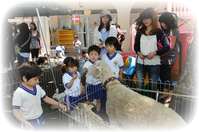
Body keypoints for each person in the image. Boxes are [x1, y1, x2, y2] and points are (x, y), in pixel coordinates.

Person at [12, 62, 66, 132]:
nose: (37, 81)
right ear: (25, 78)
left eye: (38, 78)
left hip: (39, 119)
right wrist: (25, 122)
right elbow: (16, 111)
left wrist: (60, 105)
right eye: (35, 79)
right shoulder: (19, 93)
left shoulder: (37, 87)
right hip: (27, 122)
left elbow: (46, 98)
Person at [134, 7, 170, 100]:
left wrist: (155, 53)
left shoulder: (159, 32)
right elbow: (136, 45)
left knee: (153, 87)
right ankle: (138, 106)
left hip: (154, 64)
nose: (145, 21)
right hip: (140, 63)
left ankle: (153, 107)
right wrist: (138, 53)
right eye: (143, 19)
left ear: (153, 18)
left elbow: (167, 47)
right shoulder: (139, 32)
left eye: (147, 18)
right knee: (139, 87)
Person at [158, 12, 180, 103]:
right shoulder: (166, 31)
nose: (162, 25)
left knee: (167, 76)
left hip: (169, 58)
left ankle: (170, 95)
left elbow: (171, 46)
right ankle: (165, 93)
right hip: (163, 57)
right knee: (163, 75)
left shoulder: (173, 31)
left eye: (163, 22)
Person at [61, 57, 85, 131]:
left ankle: (80, 122)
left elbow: (79, 81)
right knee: (71, 113)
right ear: (66, 68)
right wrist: (72, 79)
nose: (74, 68)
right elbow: (68, 86)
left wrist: (82, 87)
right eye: (71, 67)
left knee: (80, 110)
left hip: (79, 96)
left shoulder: (77, 73)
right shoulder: (65, 76)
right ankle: (71, 124)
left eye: (75, 66)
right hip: (71, 97)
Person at [83, 45, 103, 115]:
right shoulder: (87, 63)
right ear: (88, 55)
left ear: (99, 55)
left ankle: (98, 113)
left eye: (95, 54)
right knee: (89, 100)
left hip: (98, 84)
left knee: (98, 100)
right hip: (90, 85)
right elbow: (84, 70)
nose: (93, 56)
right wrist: (85, 71)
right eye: (91, 54)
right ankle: (89, 112)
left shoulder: (100, 63)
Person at [0, 13, 16, 98]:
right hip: (9, 54)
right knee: (10, 73)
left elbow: (1, 42)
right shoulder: (8, 29)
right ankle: (14, 90)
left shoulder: (1, 29)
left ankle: (6, 94)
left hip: (2, 55)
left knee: (4, 75)